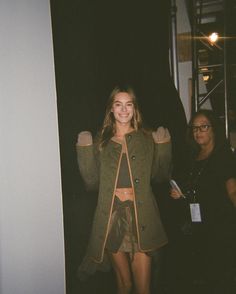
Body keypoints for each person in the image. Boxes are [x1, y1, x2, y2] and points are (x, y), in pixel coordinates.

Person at [76, 85, 172, 294]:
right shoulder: (101, 142)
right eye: (118, 104)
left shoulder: (147, 139)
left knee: (143, 288)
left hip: (142, 217)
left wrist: (163, 148)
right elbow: (91, 184)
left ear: (135, 108)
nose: (123, 110)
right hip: (111, 217)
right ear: (111, 109)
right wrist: (84, 153)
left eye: (128, 104)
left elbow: (160, 176)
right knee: (124, 284)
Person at [169, 109, 236, 294]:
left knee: (220, 279)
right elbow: (194, 189)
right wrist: (180, 193)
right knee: (202, 278)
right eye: (195, 128)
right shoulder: (192, 157)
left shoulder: (224, 156)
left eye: (204, 126)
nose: (198, 131)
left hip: (219, 228)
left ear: (214, 129)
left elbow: (232, 190)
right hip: (198, 227)